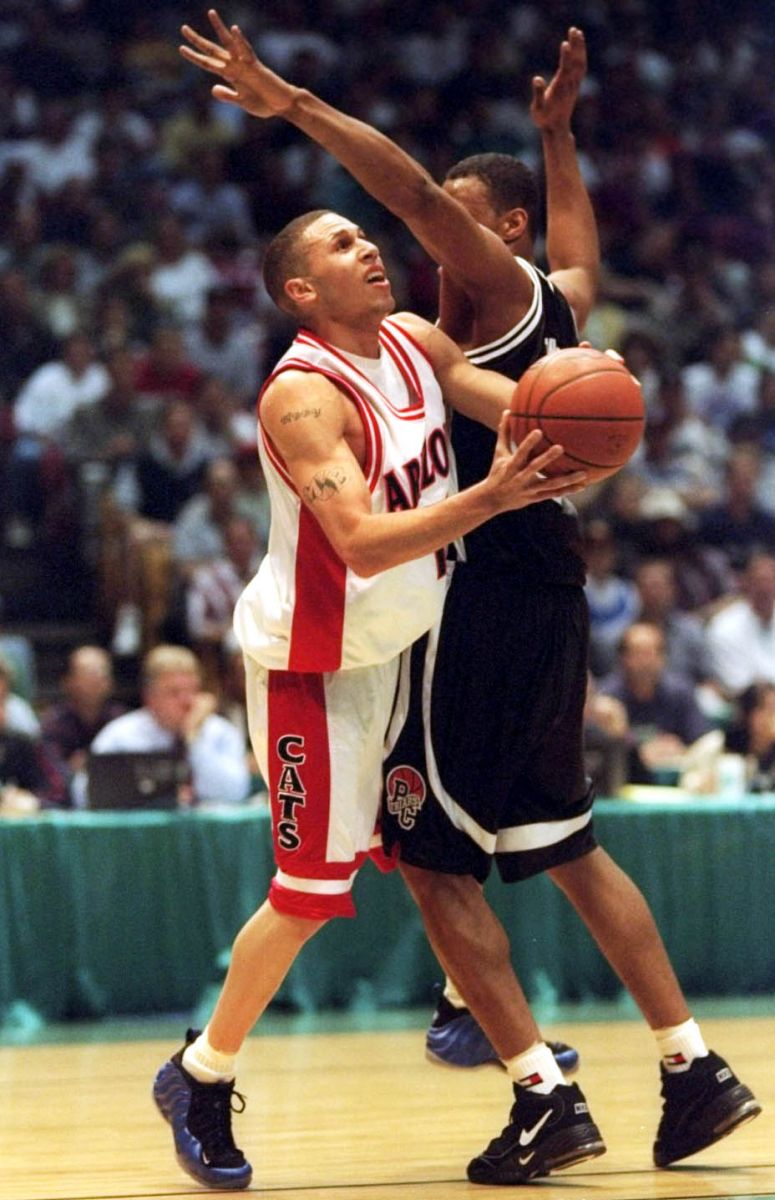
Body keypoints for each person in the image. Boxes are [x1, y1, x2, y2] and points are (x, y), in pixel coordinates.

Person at [174, 13, 761, 1187]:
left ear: (491, 232)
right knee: (559, 842)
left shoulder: (465, 295)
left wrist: (291, 102)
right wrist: (558, 142)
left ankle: (528, 1082)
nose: (409, 229)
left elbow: (399, 185)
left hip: (477, 591)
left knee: (432, 854)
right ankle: (684, 1067)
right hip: (497, 584)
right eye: (364, 235)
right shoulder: (539, 305)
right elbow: (567, 281)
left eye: (438, 214)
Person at [150, 194, 589, 1186]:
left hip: (401, 648)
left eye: (365, 234)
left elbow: (493, 396)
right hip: (312, 667)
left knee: (437, 839)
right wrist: (491, 495)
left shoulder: (408, 335)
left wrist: (578, 422)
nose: (371, 249)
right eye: (344, 244)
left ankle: (467, 1014)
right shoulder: (301, 397)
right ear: (303, 290)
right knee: (309, 895)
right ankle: (200, 1074)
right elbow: (355, 540)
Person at [91, 643, 251, 807]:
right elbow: (86, 792)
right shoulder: (120, 736)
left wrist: (194, 738)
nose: (187, 701)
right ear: (150, 698)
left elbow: (235, 792)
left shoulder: (221, 733)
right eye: (174, 693)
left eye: (192, 690)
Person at [597, 622, 711, 785]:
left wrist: (683, 750)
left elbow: (704, 741)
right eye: (638, 653)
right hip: (624, 783)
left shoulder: (680, 693)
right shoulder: (606, 698)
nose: (646, 662)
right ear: (622, 659)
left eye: (653, 653)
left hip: (675, 783)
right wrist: (638, 751)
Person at [40, 645, 125, 808]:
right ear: (67, 681)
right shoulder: (53, 724)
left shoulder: (121, 722)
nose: (97, 679)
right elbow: (52, 774)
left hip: (116, 803)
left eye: (103, 672)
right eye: (89, 673)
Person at [705, 551, 775, 696]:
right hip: (749, 705)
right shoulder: (723, 628)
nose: (765, 588)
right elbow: (737, 684)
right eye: (759, 581)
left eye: (770, 580)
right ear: (746, 583)